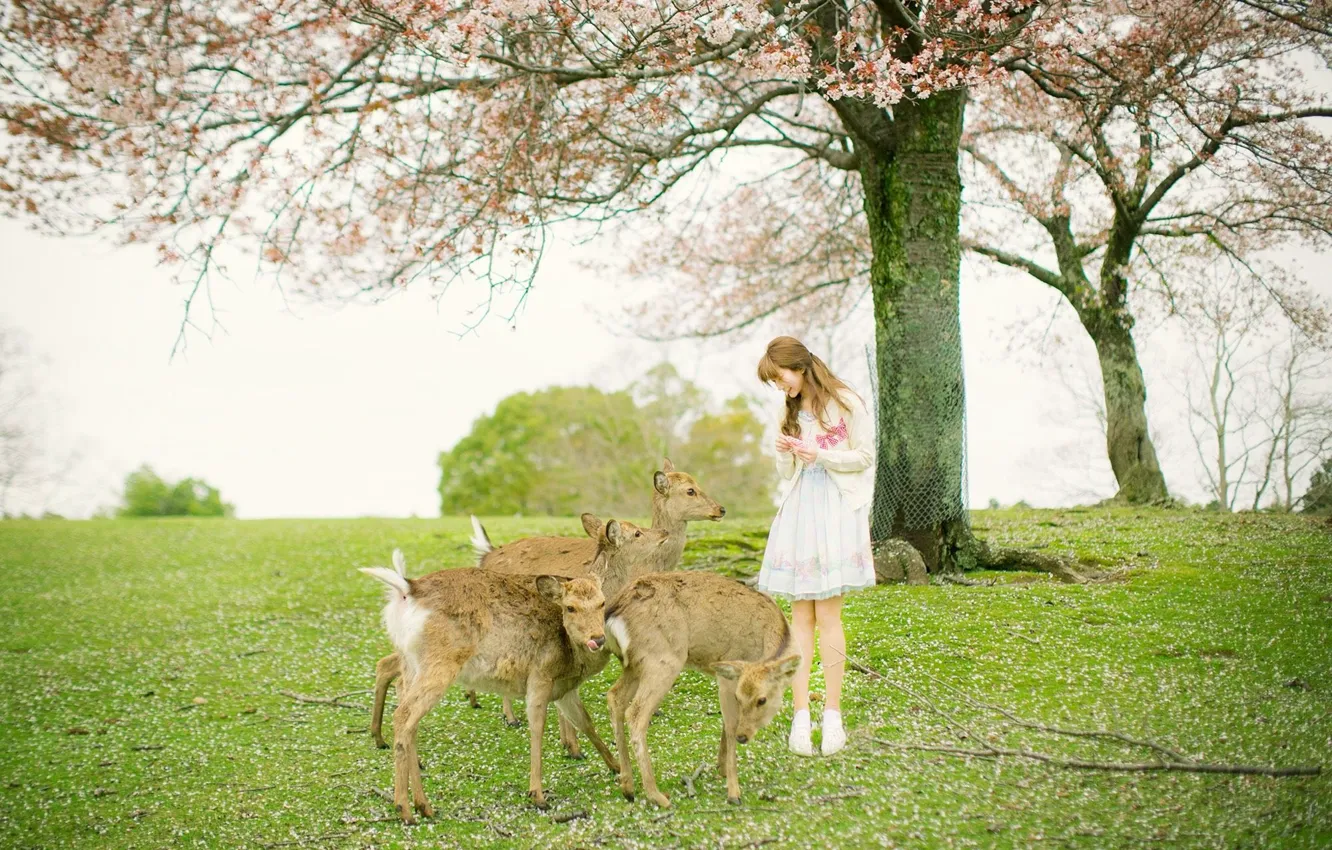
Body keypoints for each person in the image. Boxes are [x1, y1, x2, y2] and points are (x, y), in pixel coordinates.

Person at [756, 336, 876, 756]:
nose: (779, 386)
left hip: (836, 510)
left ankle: (834, 715)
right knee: (800, 617)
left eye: (780, 376)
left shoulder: (844, 402)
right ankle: (801, 717)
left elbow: (864, 456)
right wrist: (786, 452)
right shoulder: (786, 411)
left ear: (800, 366)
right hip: (801, 510)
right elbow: (786, 472)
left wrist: (819, 454)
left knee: (828, 615)